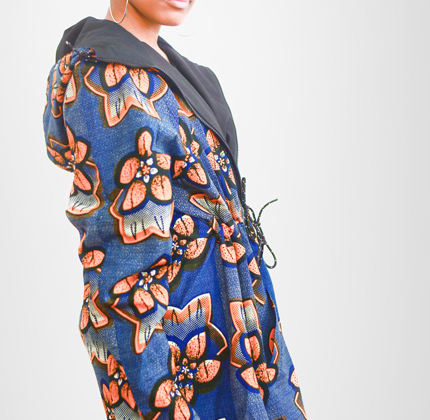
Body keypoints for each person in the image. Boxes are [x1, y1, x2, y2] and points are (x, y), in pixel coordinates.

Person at [42, 1, 307, 419]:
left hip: (238, 341)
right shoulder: (113, 80)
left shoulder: (178, 73)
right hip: (182, 363)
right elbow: (124, 282)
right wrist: (165, 403)